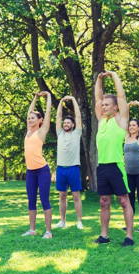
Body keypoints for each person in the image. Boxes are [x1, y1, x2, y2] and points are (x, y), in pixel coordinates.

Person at [94, 71, 134, 247]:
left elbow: (121, 96)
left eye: (107, 105)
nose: (103, 107)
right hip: (102, 167)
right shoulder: (102, 120)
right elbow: (97, 98)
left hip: (116, 167)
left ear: (116, 107)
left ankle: (129, 236)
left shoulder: (121, 120)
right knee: (104, 201)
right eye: (103, 105)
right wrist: (99, 80)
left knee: (124, 200)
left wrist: (114, 76)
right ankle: (104, 235)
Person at [22, 91, 53, 239]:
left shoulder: (41, 132)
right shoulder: (28, 131)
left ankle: (48, 231)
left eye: (32, 118)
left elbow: (47, 113)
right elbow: (29, 111)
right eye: (28, 118)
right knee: (31, 199)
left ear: (39, 120)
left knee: (45, 200)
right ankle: (32, 229)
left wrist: (48, 97)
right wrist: (34, 97)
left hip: (42, 171)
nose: (29, 119)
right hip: (30, 172)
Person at [54, 96, 83, 230]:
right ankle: (62, 221)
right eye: (64, 123)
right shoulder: (59, 133)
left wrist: (73, 100)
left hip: (73, 169)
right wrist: (60, 102)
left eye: (68, 123)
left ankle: (79, 221)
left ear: (72, 125)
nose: (66, 124)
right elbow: (58, 117)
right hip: (61, 169)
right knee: (62, 196)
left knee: (76, 195)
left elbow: (78, 116)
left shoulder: (77, 133)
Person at [125, 101, 139, 232]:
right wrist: (127, 107)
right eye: (130, 125)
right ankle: (130, 224)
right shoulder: (126, 137)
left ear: (138, 127)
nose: (131, 127)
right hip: (128, 174)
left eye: (134, 125)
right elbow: (124, 118)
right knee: (129, 199)